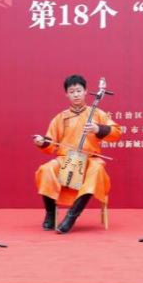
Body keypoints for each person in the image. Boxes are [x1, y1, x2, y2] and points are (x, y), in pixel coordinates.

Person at [33, 75, 122, 234]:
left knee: (97, 170)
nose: (76, 94)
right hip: (65, 159)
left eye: (79, 91)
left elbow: (116, 132)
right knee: (45, 169)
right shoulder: (60, 118)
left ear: (86, 91)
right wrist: (42, 142)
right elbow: (51, 144)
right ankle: (51, 214)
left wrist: (97, 129)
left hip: (90, 158)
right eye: (72, 91)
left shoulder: (97, 113)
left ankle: (72, 216)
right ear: (66, 94)